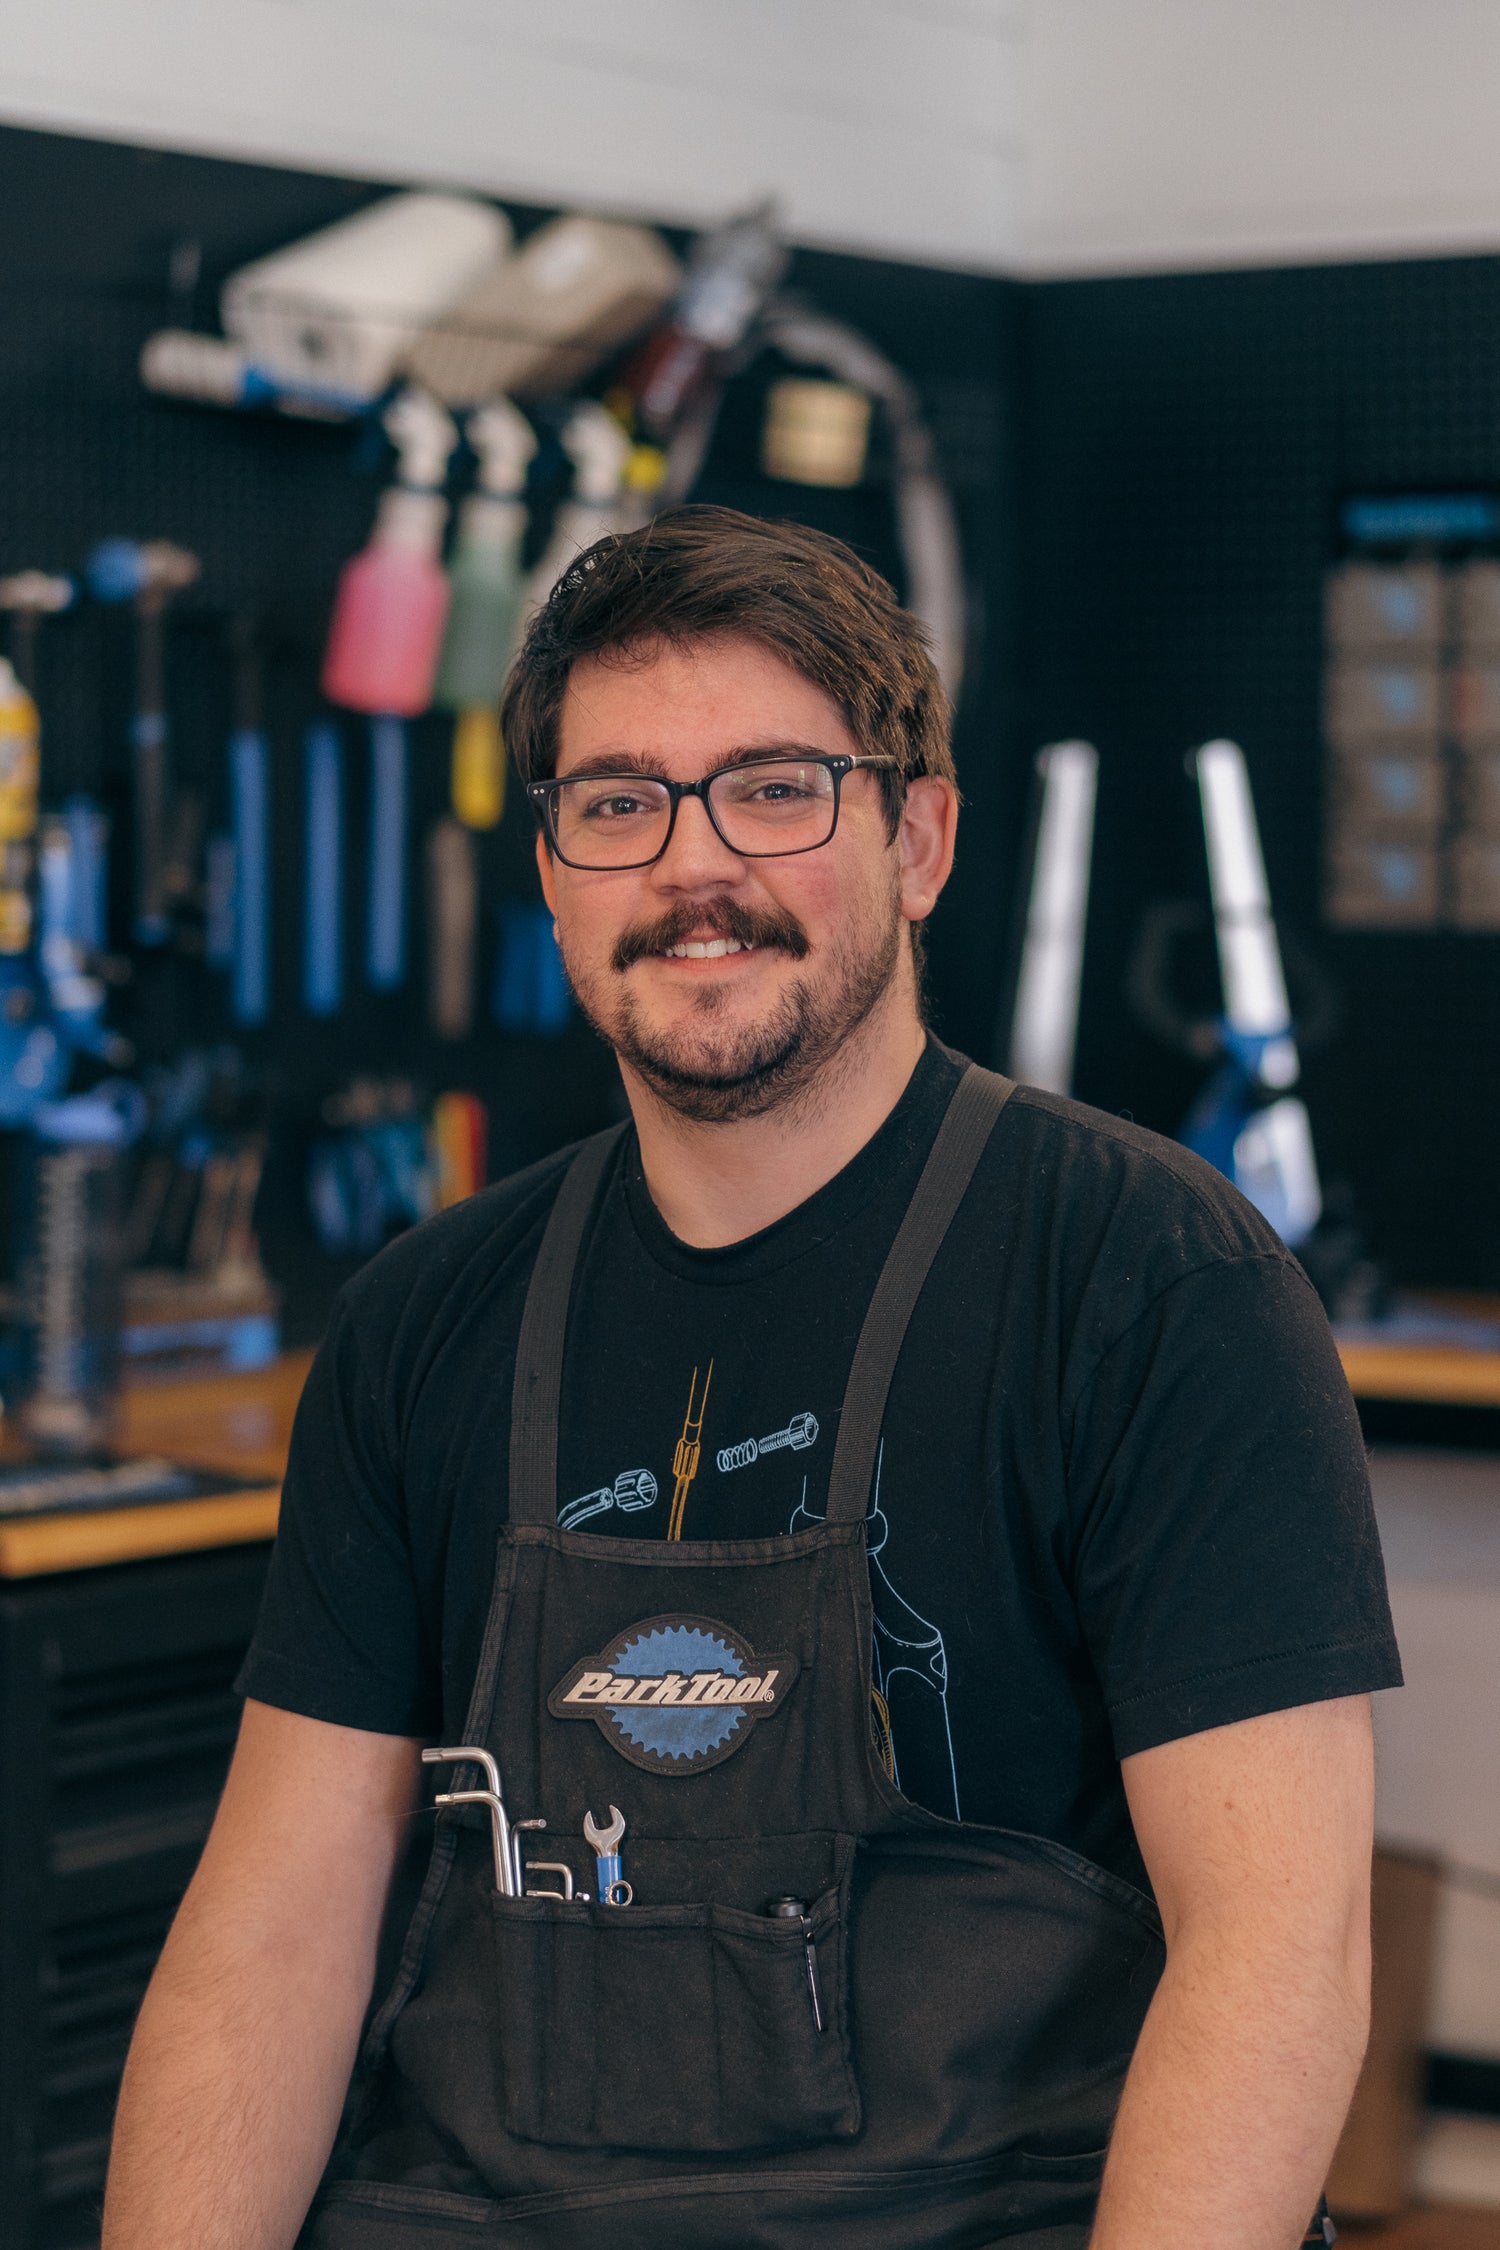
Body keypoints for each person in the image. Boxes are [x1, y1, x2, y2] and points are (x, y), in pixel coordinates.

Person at [104, 507, 1399, 2250]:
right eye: (617, 802)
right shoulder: (420, 1322)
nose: (691, 865)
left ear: (918, 839)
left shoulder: (1154, 1282)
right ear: (551, 871)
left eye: (775, 789)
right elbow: (272, 1931)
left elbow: (1277, 1950)